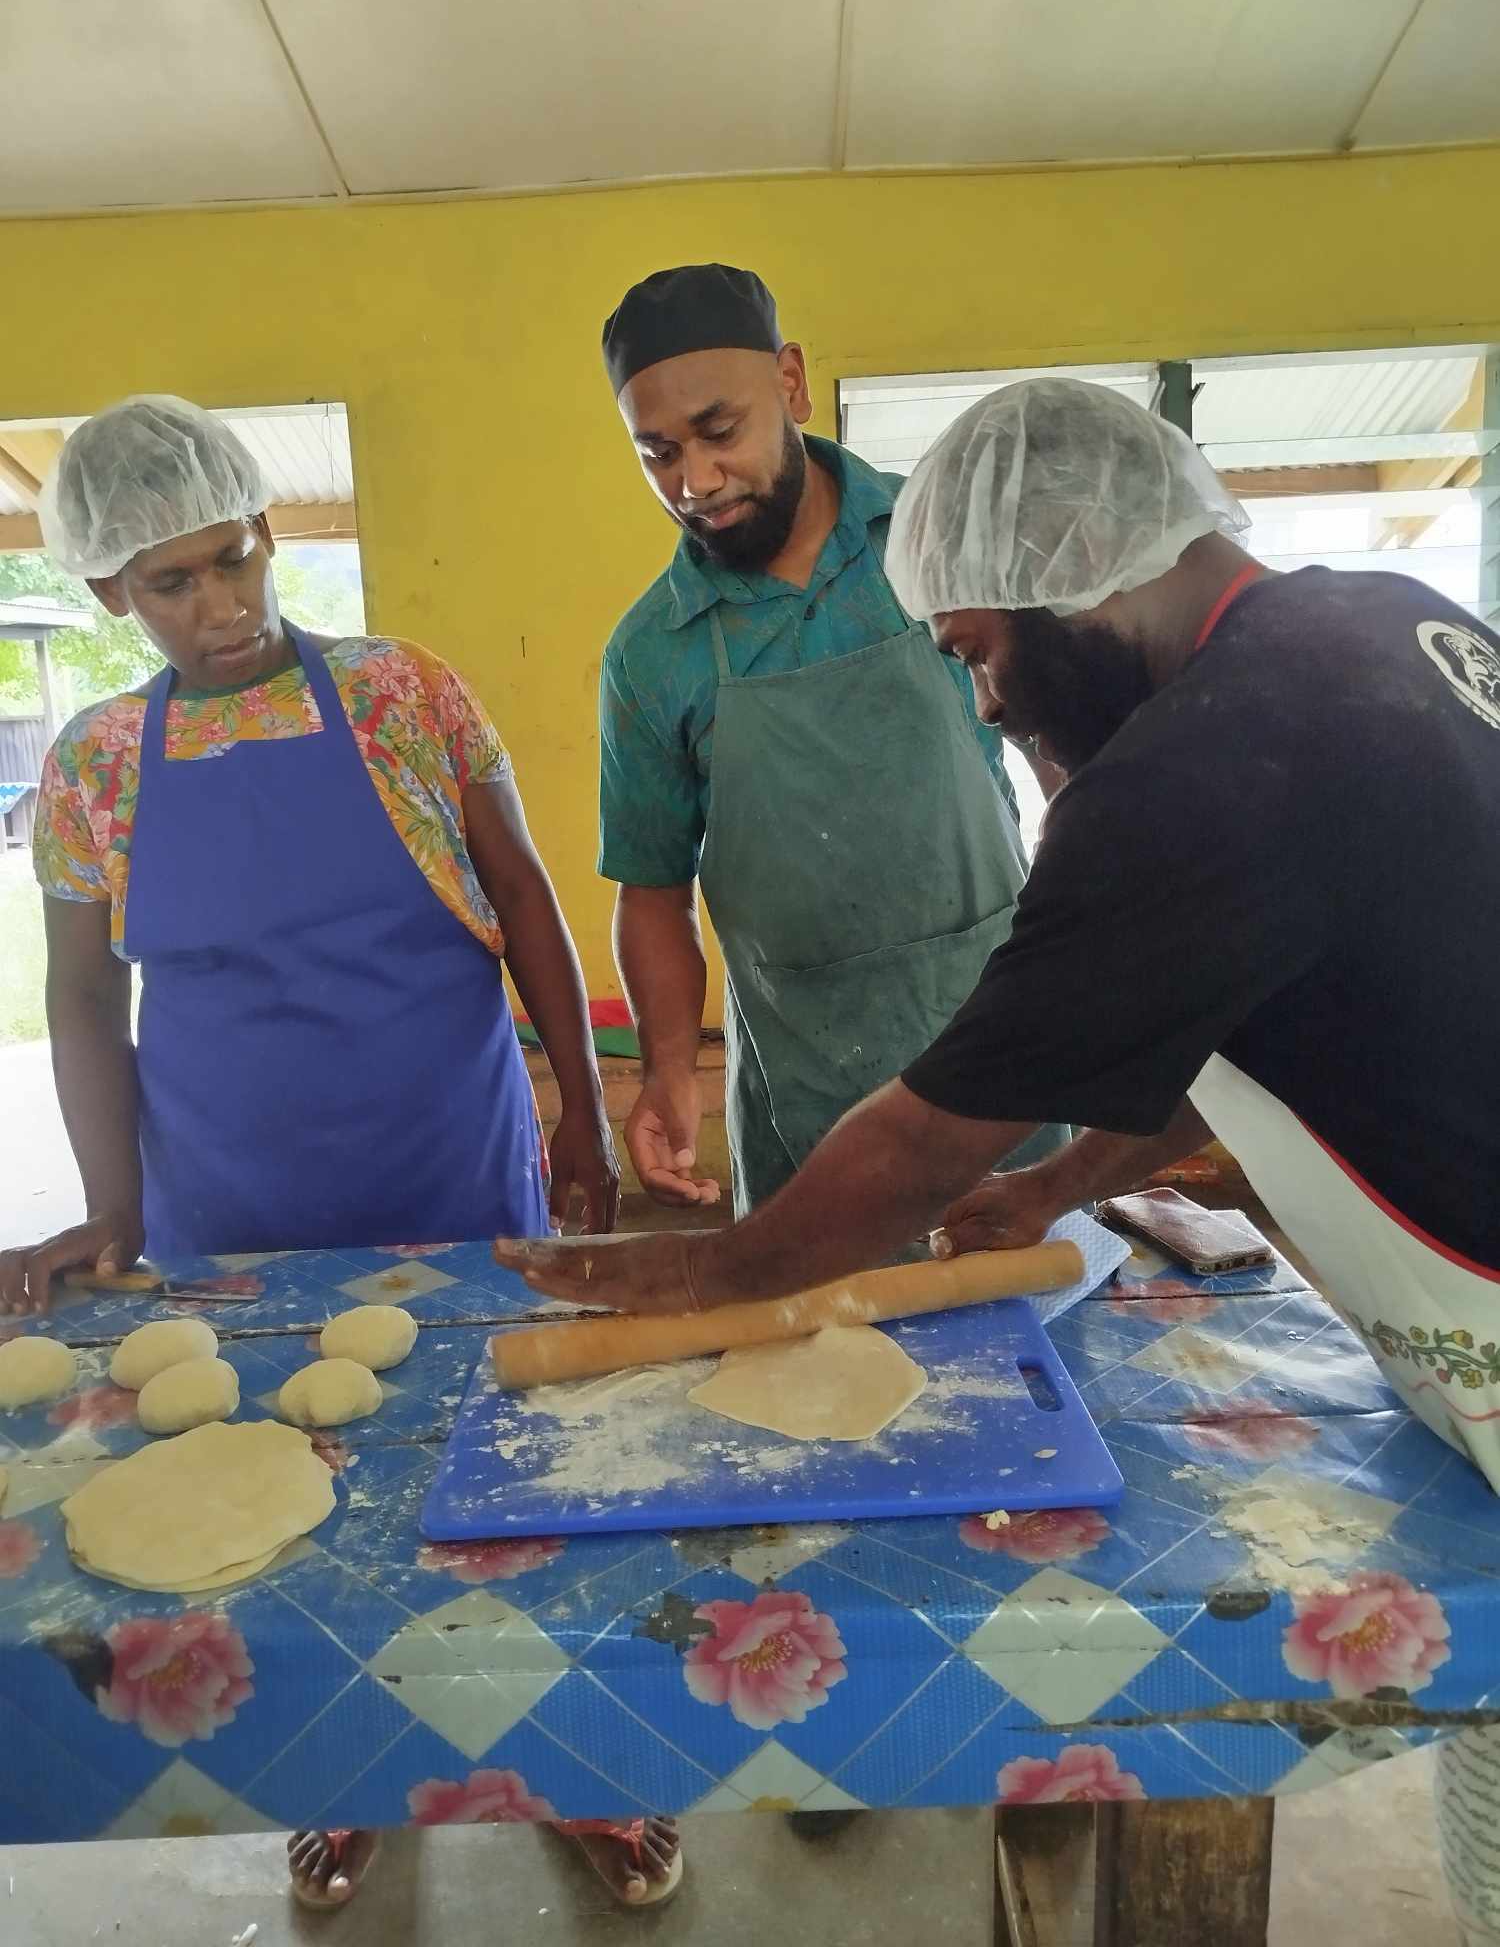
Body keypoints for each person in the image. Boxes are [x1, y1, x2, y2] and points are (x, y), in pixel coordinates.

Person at [502, 376, 1500, 1944]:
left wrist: (693, 1267)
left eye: (974, 650)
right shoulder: (1372, 620)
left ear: (1072, 570)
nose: (980, 705)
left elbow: (915, 1143)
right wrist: (1056, 1187)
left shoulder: (1197, 768)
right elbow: (1280, 1013)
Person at [0, 395, 677, 1912]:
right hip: (231, 1191)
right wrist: (110, 1209)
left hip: (445, 1154)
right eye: (172, 582)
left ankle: (582, 1766)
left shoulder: (402, 696)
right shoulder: (99, 768)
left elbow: (523, 905)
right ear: (111, 593)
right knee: (277, 1516)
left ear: (269, 531)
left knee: (506, 1482)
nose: (222, 606)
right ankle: (351, 1777)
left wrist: (577, 1109)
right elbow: (80, 995)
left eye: (236, 559)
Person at [597, 263, 1064, 1220]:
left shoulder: (937, 541)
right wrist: (669, 1072)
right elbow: (652, 895)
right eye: (657, 453)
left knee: (1024, 1329)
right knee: (816, 1350)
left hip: (1000, 1045)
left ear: (793, 383)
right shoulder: (652, 654)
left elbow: (1067, 754)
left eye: (719, 431)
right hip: (808, 1090)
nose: (695, 481)